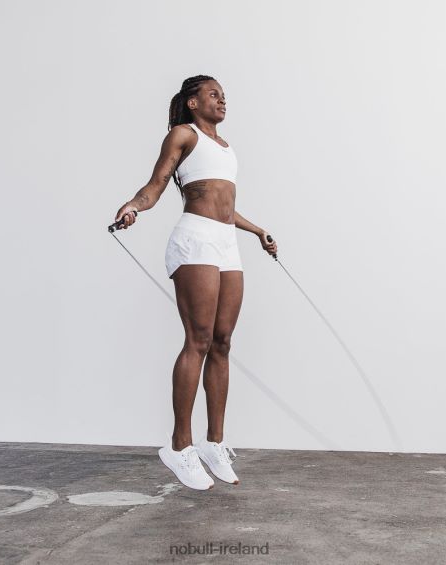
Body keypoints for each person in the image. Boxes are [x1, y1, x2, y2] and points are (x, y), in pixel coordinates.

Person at [113, 75, 278, 490]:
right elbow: (157, 185)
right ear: (192, 102)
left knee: (223, 342)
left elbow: (225, 207)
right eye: (213, 94)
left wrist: (258, 231)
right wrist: (133, 206)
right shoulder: (183, 135)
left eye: (224, 96)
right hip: (195, 240)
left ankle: (213, 444)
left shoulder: (226, 148)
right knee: (199, 340)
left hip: (226, 243)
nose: (221, 100)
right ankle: (180, 447)